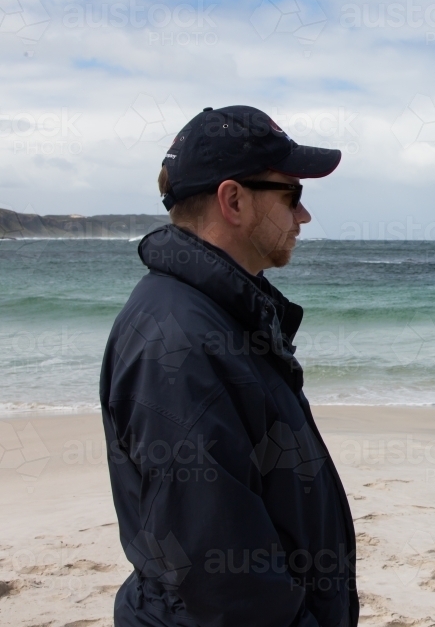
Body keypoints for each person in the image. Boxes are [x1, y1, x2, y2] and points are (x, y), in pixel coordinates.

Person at [100, 105, 358, 627]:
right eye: (293, 195)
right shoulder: (180, 344)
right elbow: (222, 585)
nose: (303, 217)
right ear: (233, 200)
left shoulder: (221, 315)